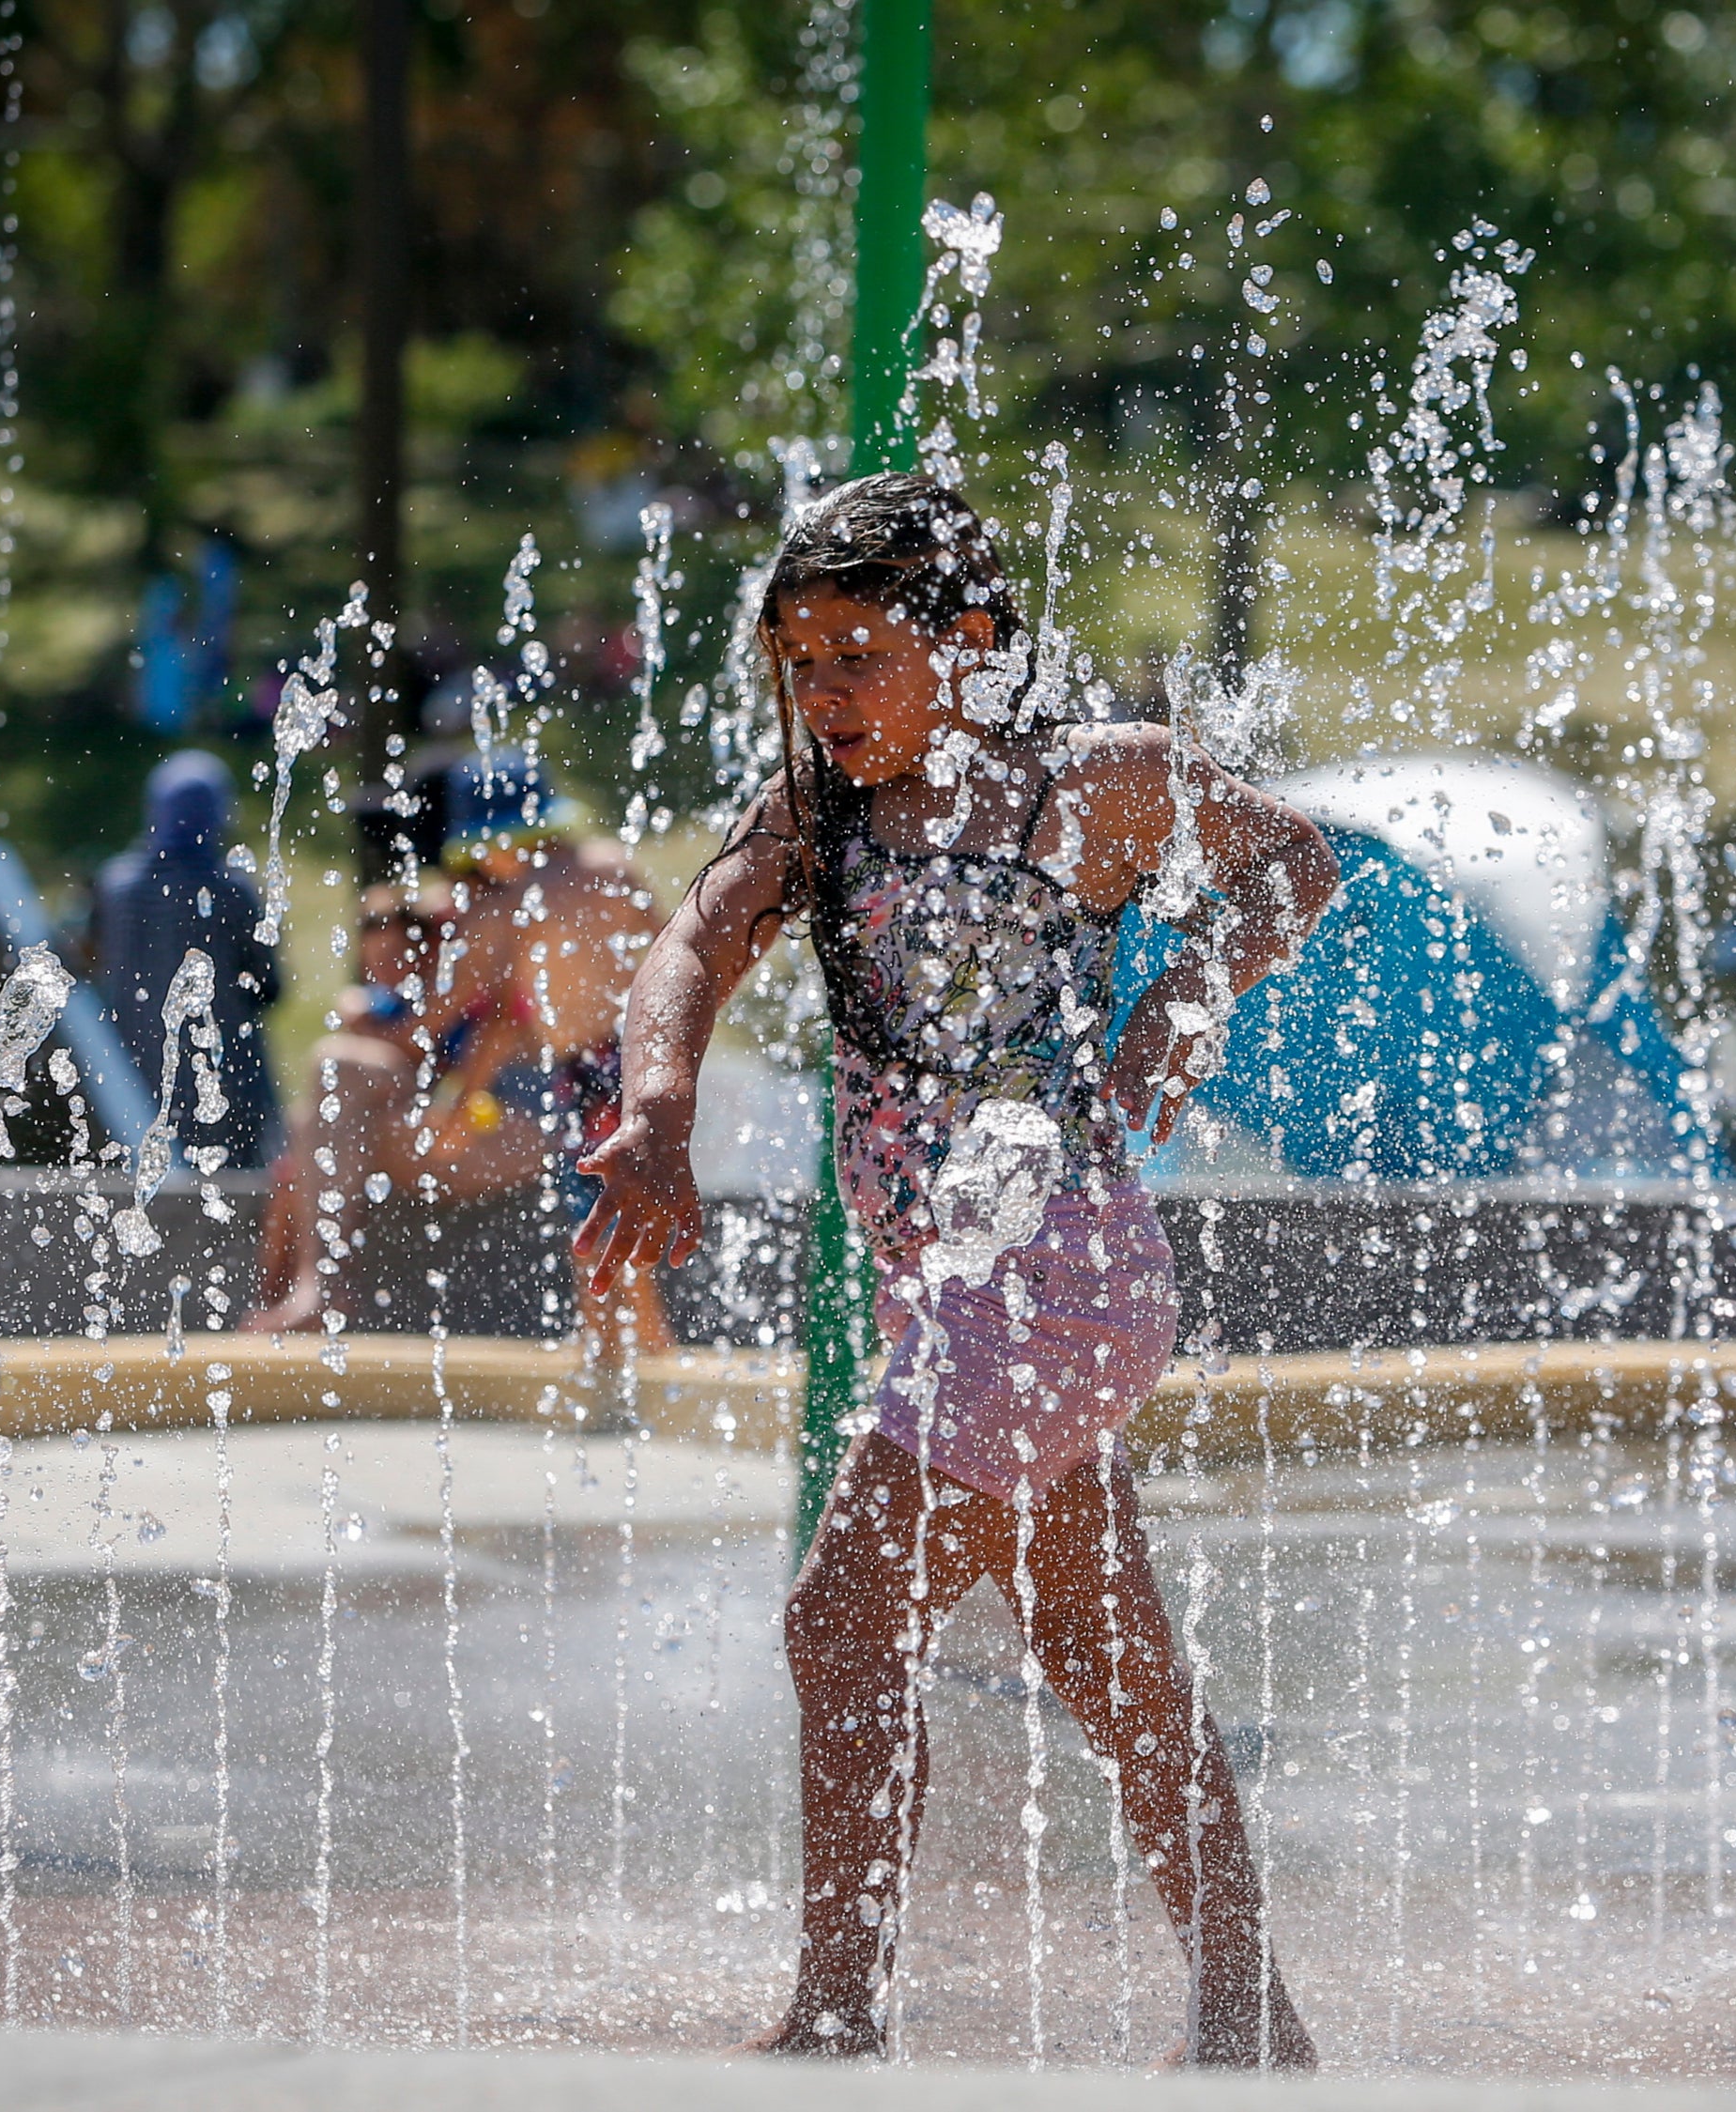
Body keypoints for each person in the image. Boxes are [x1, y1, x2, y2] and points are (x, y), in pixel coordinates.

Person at [574, 472, 1340, 2065]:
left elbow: (1294, 857)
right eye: (800, 661)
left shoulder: (1089, 784)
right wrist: (657, 1107)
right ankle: (1250, 2013)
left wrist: (1181, 1005)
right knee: (1109, 1656)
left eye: (859, 653)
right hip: (966, 1283)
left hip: (1051, 1270)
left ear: (972, 640)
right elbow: (690, 944)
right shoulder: (820, 815)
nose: (825, 692)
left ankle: (838, 2013)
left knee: (842, 1623)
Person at [434, 744, 674, 1361]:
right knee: (624, 1205)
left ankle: (608, 1350)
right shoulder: (610, 866)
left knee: (596, 1214)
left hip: (593, 1066)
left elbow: (487, 1016)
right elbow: (679, 952)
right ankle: (647, 1350)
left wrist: (461, 1100)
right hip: (638, 1053)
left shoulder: (513, 904)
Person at [246, 881, 547, 1333]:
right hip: (437, 1138)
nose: (385, 971)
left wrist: (453, 1000)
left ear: (430, 950)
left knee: (326, 1093)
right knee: (309, 1126)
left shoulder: (486, 996)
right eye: (376, 962)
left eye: (398, 958)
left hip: (511, 1139)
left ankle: (318, 1289)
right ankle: (284, 1297)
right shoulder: (379, 1007)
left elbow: (443, 1065)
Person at [90, 749, 284, 1167]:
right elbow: (269, 986)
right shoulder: (232, 891)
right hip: (221, 1072)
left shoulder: (116, 885)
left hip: (131, 1068)